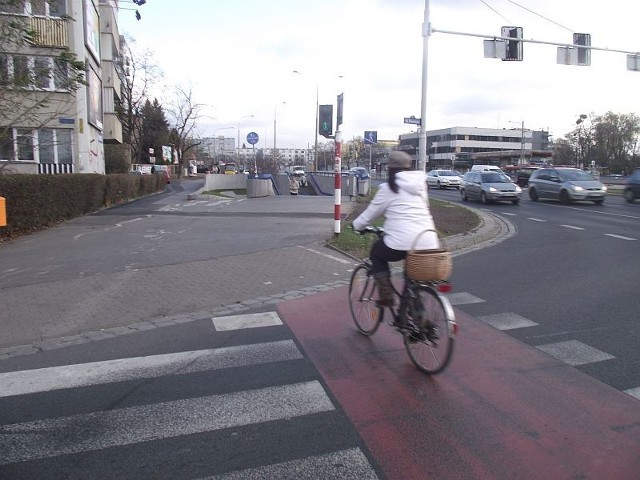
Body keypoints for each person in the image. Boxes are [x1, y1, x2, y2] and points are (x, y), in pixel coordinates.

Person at [351, 151, 439, 307]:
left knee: (376, 253)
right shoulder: (420, 186)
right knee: (412, 276)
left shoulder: (388, 188)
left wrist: (356, 226)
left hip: (401, 243)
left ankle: (386, 295)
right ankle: (414, 311)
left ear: (390, 168)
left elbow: (369, 215)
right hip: (428, 240)